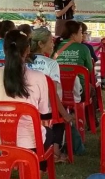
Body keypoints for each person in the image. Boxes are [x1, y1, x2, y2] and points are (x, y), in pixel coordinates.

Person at [0, 30, 58, 158]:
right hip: (30, 145)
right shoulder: (39, 77)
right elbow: (43, 111)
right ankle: (38, 167)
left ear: (5, 49)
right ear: (28, 49)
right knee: (50, 133)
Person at [27, 27, 75, 159]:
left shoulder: (22, 62)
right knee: (60, 114)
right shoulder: (51, 64)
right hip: (45, 111)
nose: (53, 44)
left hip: (26, 108)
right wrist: (65, 114)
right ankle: (56, 150)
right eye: (50, 41)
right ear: (41, 44)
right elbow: (52, 94)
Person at [53, 20, 93, 98]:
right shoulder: (83, 48)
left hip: (57, 90)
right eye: (80, 32)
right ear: (73, 35)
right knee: (93, 90)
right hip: (79, 90)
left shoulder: (54, 47)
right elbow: (89, 70)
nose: (82, 35)